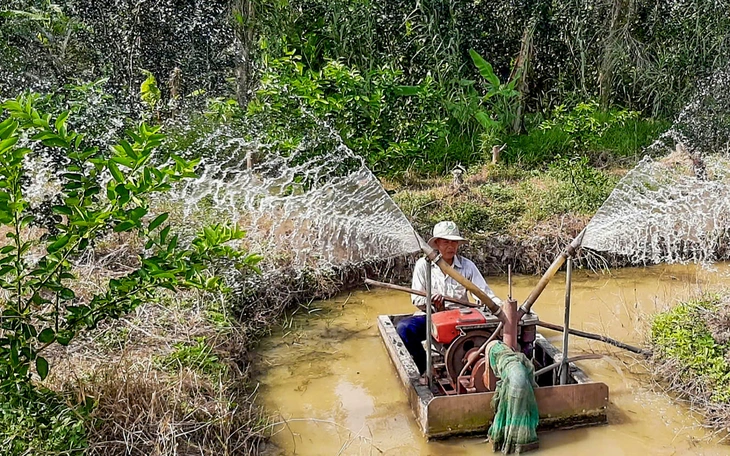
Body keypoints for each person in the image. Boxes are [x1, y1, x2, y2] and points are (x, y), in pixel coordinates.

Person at [396, 220, 501, 380]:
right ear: (436, 243)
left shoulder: (468, 266)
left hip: (461, 318)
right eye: (446, 242)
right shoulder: (423, 266)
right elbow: (417, 299)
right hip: (432, 317)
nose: (451, 246)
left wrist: (498, 306)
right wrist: (431, 302)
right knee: (404, 328)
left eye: (454, 242)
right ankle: (426, 368)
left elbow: (485, 294)